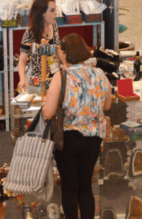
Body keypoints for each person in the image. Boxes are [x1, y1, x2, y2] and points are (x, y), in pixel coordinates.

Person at [42, 34, 111, 219]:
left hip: (68, 139)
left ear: (65, 53)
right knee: (86, 186)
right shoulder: (100, 73)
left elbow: (48, 113)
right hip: (94, 139)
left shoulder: (61, 77)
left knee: (69, 188)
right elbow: (107, 106)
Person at [16, 0, 60, 94]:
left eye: (55, 9)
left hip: (53, 80)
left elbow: (58, 51)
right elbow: (22, 61)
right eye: (52, 10)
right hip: (35, 83)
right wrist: (22, 79)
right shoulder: (30, 33)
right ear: (42, 13)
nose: (55, 13)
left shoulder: (54, 27)